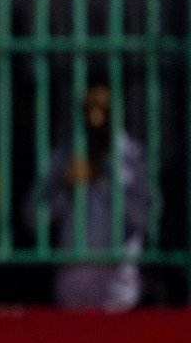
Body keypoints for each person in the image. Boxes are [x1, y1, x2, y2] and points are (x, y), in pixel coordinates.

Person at [34, 79, 152, 310]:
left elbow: (149, 217)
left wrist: (100, 180)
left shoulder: (133, 157)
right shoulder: (64, 153)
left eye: (103, 108)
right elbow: (32, 217)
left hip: (118, 289)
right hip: (70, 290)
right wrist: (63, 187)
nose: (95, 117)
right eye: (89, 108)